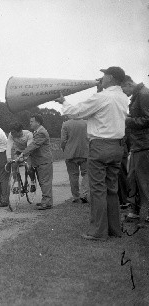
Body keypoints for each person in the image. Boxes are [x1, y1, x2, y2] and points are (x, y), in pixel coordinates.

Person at [55, 66, 129, 241]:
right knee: (112, 189)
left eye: (104, 75)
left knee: (97, 190)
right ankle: (114, 230)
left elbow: (76, 112)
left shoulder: (102, 97)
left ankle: (98, 232)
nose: (101, 78)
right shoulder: (123, 97)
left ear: (110, 77)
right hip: (117, 147)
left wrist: (64, 102)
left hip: (100, 146)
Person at [121, 75, 149, 223]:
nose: (123, 93)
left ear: (129, 84)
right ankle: (134, 210)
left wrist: (128, 120)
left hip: (144, 145)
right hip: (137, 144)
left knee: (144, 179)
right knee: (132, 178)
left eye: (123, 89)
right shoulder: (138, 94)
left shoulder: (144, 94)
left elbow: (147, 119)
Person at [18, 114, 53, 210]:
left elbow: (34, 145)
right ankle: (46, 201)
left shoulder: (41, 132)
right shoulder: (37, 131)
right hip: (39, 161)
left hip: (43, 160)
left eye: (31, 121)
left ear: (38, 122)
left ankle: (47, 202)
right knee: (42, 182)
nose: (30, 123)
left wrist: (23, 153)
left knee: (45, 182)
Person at [60, 117, 89, 203]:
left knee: (73, 176)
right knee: (86, 173)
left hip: (71, 153)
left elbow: (63, 140)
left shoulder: (66, 124)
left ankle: (76, 196)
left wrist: (64, 149)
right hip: (85, 152)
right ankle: (85, 194)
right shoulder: (87, 123)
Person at [6, 122, 36, 193]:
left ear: (19, 131)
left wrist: (24, 157)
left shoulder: (28, 134)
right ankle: (16, 184)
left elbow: (29, 148)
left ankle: (32, 182)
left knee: (29, 167)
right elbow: (8, 146)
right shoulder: (11, 134)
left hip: (28, 151)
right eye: (11, 132)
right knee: (14, 165)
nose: (12, 134)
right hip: (19, 151)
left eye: (13, 132)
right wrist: (9, 157)